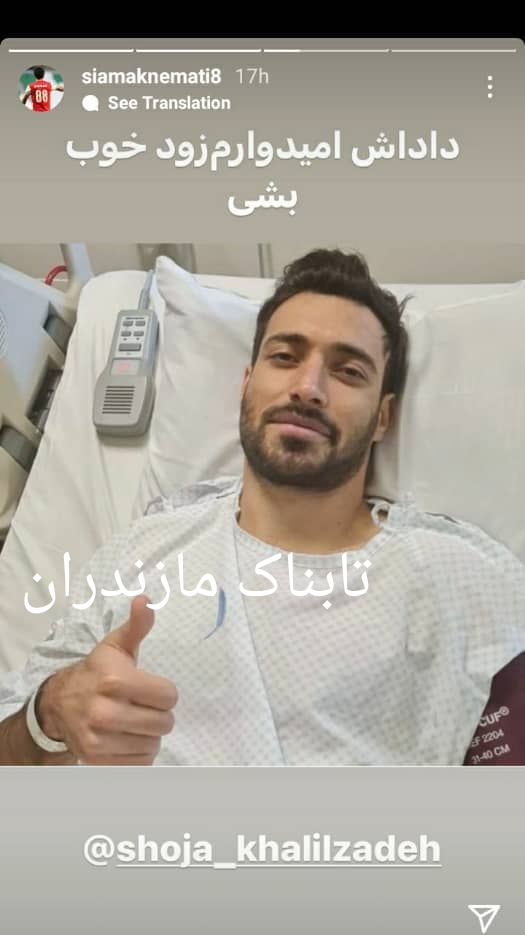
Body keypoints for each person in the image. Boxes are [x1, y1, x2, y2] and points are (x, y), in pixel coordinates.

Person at [0, 249, 524, 766]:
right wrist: (50, 714)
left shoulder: (458, 576)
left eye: (348, 371)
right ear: (246, 384)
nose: (308, 388)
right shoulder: (143, 550)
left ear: (382, 418)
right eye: (285, 358)